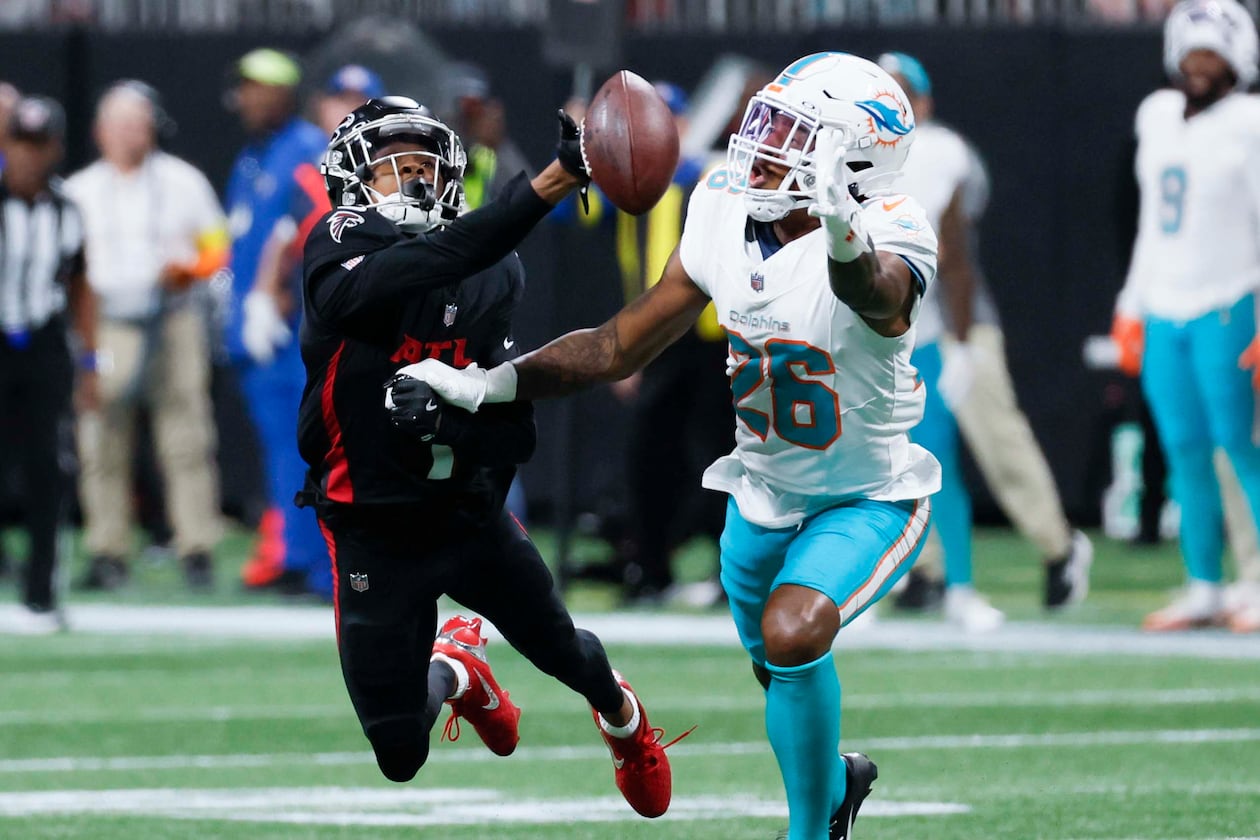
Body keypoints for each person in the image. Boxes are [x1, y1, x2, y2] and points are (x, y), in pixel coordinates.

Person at [398, 53, 939, 840]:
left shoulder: (891, 226)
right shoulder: (722, 206)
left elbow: (881, 298)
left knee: (792, 634)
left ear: (853, 157)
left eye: (793, 134)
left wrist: (844, 236)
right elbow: (620, 343)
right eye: (767, 124)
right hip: (760, 491)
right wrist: (491, 383)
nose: (765, 145)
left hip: (868, 493)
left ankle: (811, 831)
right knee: (778, 664)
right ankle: (836, 788)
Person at [296, 96, 684, 814]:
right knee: (399, 752)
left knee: (567, 652)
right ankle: (459, 670)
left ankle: (625, 721)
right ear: (353, 184)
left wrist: (451, 418)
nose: (412, 184)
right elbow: (437, 257)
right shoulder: (335, 246)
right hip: (370, 529)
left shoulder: (493, 273)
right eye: (393, 171)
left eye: (422, 169)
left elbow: (516, 432)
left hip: (466, 519)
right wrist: (550, 182)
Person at [878, 52, 1094, 624]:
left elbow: (953, 251)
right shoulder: (862, 155)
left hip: (956, 321)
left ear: (923, 103)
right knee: (904, 450)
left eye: (902, 92)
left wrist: (965, 343)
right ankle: (925, 569)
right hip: (901, 329)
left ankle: (1060, 547)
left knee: (996, 439)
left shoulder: (943, 151)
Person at [1109, 0, 1260, 632]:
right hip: (1164, 305)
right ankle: (1204, 584)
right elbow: (1150, 222)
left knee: (1241, 446)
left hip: (1230, 299)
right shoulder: (1158, 113)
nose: (1199, 67)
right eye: (1192, 54)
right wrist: (1129, 304)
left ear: (1237, 58)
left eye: (1212, 56)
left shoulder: (1251, 121)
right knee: (1182, 451)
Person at [65, 81, 228, 591]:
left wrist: (191, 268)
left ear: (152, 127)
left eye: (137, 123)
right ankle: (107, 549)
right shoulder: (80, 190)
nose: (128, 134)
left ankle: (196, 546)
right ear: (99, 131)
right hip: (107, 319)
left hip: (172, 317)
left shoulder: (183, 181)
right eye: (118, 124)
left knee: (186, 436)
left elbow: (218, 245)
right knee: (102, 437)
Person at [223, 48, 330, 598]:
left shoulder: (306, 149)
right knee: (280, 448)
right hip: (254, 331)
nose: (249, 98)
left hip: (291, 330)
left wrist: (279, 294)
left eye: (261, 87)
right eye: (245, 87)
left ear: (285, 93)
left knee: (304, 446)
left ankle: (313, 564)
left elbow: (306, 232)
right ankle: (290, 552)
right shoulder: (251, 157)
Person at [0, 96, 97, 634]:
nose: (30, 157)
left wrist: (91, 361)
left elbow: (82, 283)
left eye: (40, 145)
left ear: (56, 148)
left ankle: (41, 592)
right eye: (22, 143)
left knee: (48, 469)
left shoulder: (67, 209)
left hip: (42, 344)